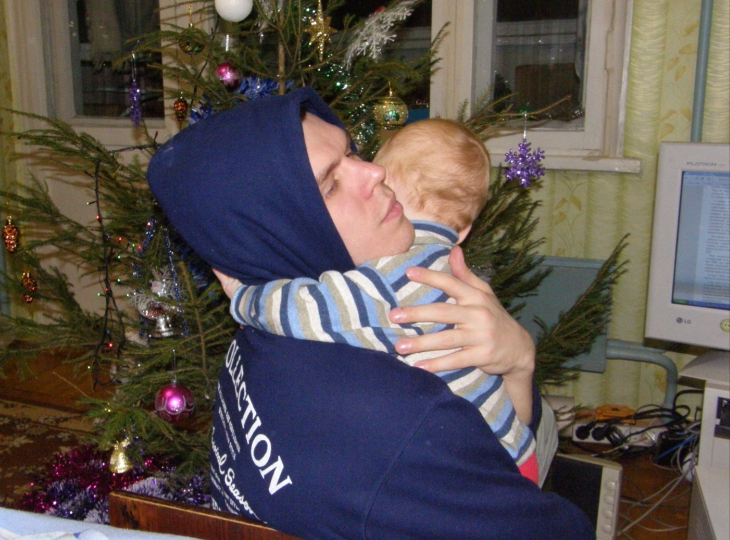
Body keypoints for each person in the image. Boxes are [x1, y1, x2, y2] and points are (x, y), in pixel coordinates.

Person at [146, 87, 598, 540]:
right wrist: (521, 368)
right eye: (329, 185)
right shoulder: (402, 421)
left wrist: (518, 362)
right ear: (278, 225)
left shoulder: (264, 337)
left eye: (353, 152)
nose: (376, 173)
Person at [215, 118, 538, 483]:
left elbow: (306, 310)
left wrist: (244, 295)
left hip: (485, 467)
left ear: (386, 192)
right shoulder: (449, 267)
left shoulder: (395, 273)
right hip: (516, 445)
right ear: (463, 231)